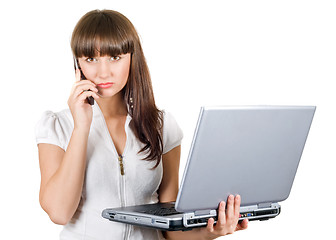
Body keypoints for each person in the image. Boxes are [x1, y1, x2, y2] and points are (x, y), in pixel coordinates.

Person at [35, 9, 248, 240]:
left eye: (114, 58)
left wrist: (212, 231)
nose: (103, 71)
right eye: (91, 59)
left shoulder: (162, 126)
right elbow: (59, 212)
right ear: (78, 63)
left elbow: (170, 230)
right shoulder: (58, 126)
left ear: (132, 58)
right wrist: (81, 127)